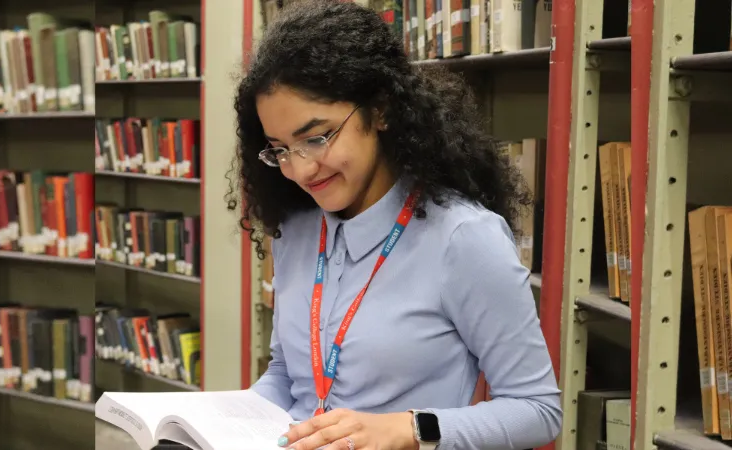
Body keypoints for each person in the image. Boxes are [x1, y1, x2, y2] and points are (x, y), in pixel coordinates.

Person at [226, 1, 563, 449]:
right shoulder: (298, 229)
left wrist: (408, 429)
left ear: (380, 110)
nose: (302, 170)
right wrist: (228, 424)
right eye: (281, 150)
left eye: (316, 138)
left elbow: (538, 410)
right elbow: (288, 375)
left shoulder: (464, 239)